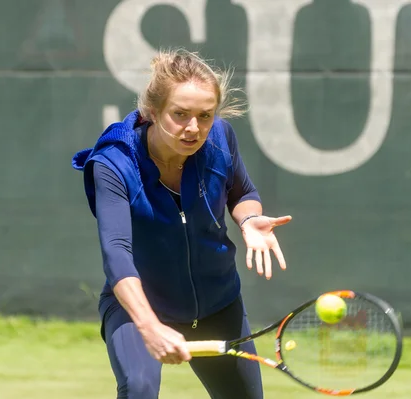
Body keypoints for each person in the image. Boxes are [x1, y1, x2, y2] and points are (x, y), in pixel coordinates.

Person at [72, 48, 292, 399]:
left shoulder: (220, 138)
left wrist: (249, 218)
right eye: (180, 114)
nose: (194, 128)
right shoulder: (114, 163)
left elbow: (243, 192)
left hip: (219, 304)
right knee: (139, 388)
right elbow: (116, 253)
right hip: (142, 306)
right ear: (152, 112)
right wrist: (149, 325)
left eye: (205, 115)